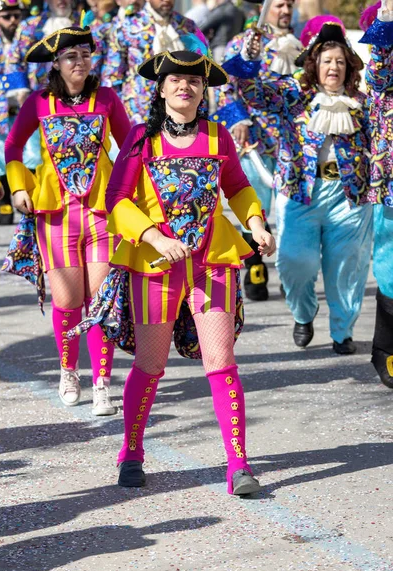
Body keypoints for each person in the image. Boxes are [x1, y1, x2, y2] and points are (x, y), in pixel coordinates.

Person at [101, 46, 275, 494]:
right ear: (160, 89)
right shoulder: (141, 138)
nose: (185, 85)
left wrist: (255, 222)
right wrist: (153, 236)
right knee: (151, 363)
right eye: (176, 79)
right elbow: (116, 199)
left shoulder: (219, 137)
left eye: (194, 80)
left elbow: (236, 186)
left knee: (221, 363)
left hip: (211, 262)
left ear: (203, 90)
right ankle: (132, 451)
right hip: (155, 265)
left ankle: (239, 466)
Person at [222, 16, 373, 354]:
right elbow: (250, 92)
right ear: (314, 64)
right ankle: (303, 313)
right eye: (326, 61)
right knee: (295, 262)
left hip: (348, 197)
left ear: (348, 67)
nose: (332, 67)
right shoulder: (294, 94)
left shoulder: (362, 105)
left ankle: (342, 331)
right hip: (300, 194)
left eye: (339, 61)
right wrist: (250, 57)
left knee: (348, 267)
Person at [4, 26, 131, 414]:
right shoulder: (38, 103)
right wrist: (19, 186)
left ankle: (102, 383)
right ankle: (67, 370)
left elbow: (129, 148)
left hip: (102, 214)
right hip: (57, 215)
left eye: (85, 55)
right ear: (56, 64)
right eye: (71, 57)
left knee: (101, 301)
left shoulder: (107, 98)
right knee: (67, 299)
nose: (79, 62)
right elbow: (12, 146)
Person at [213, 0, 302, 301]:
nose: (286, 10)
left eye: (289, 5)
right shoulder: (244, 41)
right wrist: (237, 118)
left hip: (292, 141)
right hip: (254, 139)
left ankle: (291, 271)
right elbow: (224, 84)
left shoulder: (298, 45)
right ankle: (255, 267)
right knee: (257, 207)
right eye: (279, 5)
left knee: (291, 211)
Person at [101, 0, 207, 124]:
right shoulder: (127, 26)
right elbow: (112, 76)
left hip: (183, 110)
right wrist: (114, 116)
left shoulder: (188, 27)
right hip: (138, 113)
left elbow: (203, 70)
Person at [359, 0, 393, 387]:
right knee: (389, 267)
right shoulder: (381, 85)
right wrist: (387, 16)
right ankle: (386, 346)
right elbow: (380, 68)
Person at [0, 0, 26, 225]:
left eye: (16, 15)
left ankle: (24, 196)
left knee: (29, 155)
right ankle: (3, 202)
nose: (12, 20)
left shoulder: (27, 39)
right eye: (7, 16)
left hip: (24, 106)